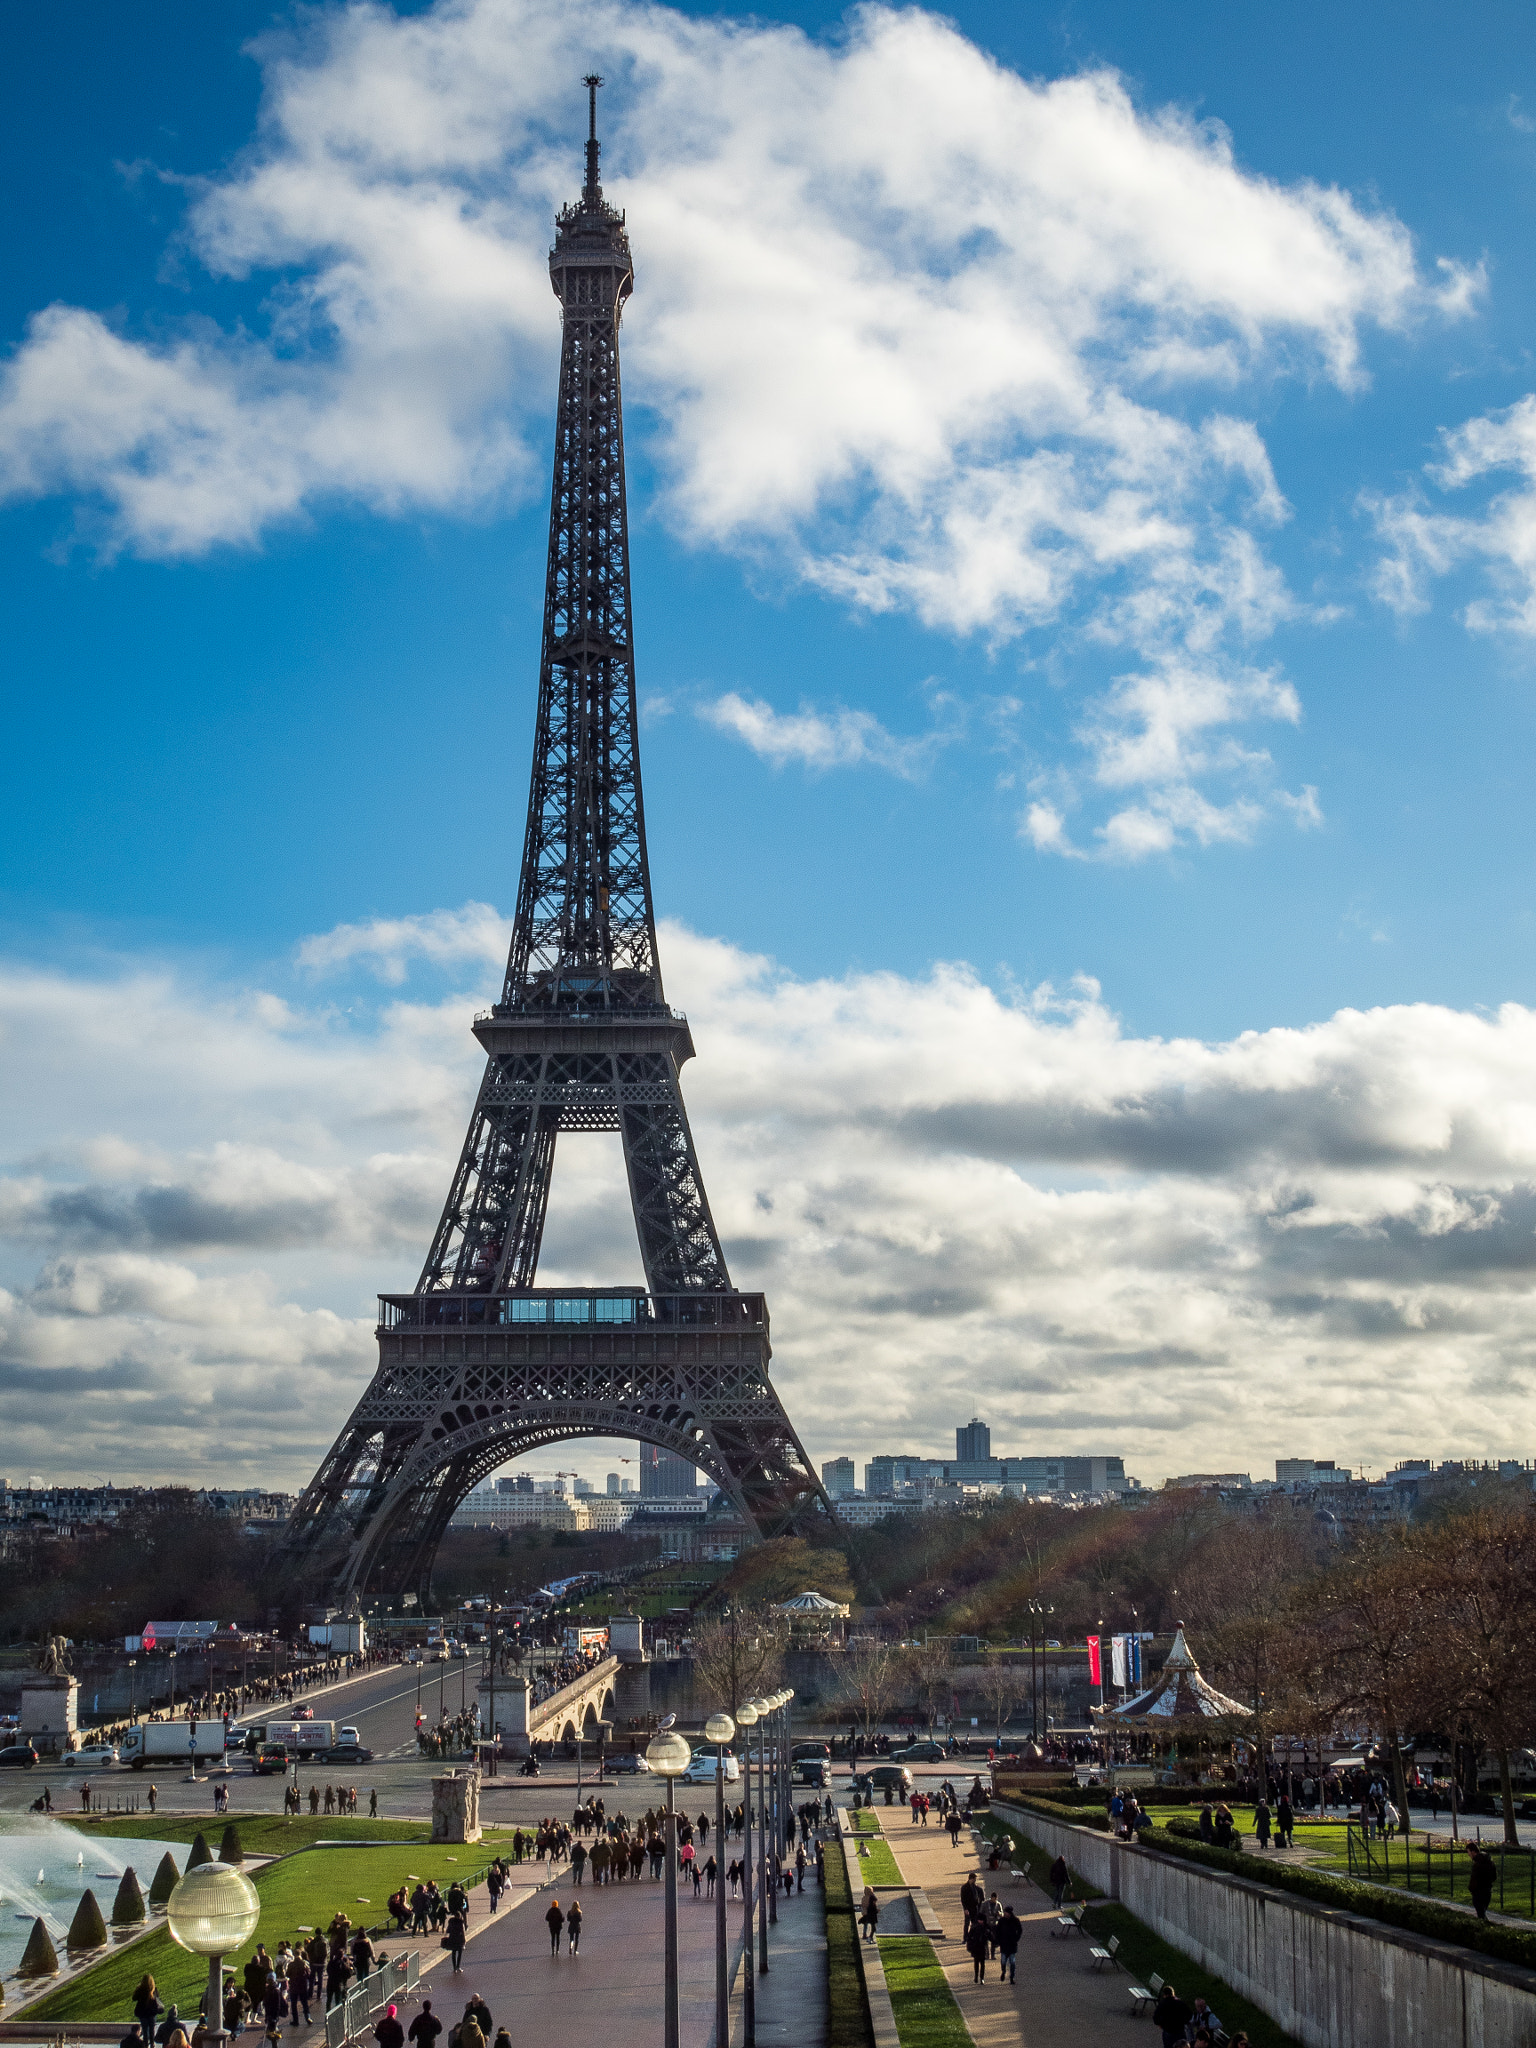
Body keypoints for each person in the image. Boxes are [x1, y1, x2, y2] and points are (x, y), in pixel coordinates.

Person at [134, 1975, 164, 2046]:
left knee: (144, 2031)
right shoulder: (154, 1989)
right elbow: (157, 1998)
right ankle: (152, 2044)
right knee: (151, 2030)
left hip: (143, 2013)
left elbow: (134, 1998)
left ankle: (145, 2044)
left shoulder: (140, 1990)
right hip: (152, 2013)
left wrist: (137, 1989)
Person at [996, 1904, 1021, 1985]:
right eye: (1005, 1912)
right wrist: (999, 1941)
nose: (1005, 1914)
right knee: (1003, 1961)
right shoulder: (1001, 1921)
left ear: (1010, 1913)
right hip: (1004, 1944)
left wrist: (1016, 1939)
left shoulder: (1015, 1920)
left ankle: (1012, 1977)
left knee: (1012, 1962)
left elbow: (1020, 1930)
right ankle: (1003, 1971)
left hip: (1012, 1945)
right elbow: (998, 1931)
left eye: (1006, 1912)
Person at [1469, 1845, 1496, 1921]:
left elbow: (1474, 1878)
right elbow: (1494, 1876)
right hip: (1487, 1890)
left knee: (1481, 1914)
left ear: (1473, 1852)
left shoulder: (1477, 1864)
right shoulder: (1490, 1862)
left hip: (1478, 1892)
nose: (1468, 1855)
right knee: (1482, 1913)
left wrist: (1472, 1888)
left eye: (1469, 1852)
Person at [965, 1915, 988, 1983]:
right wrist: (970, 1945)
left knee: (982, 1964)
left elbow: (990, 1936)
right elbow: (969, 1937)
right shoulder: (974, 1928)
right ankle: (976, 1976)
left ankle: (981, 1977)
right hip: (976, 1947)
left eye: (982, 1920)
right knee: (976, 1963)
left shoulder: (985, 1928)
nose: (980, 1921)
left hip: (982, 1948)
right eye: (979, 1920)